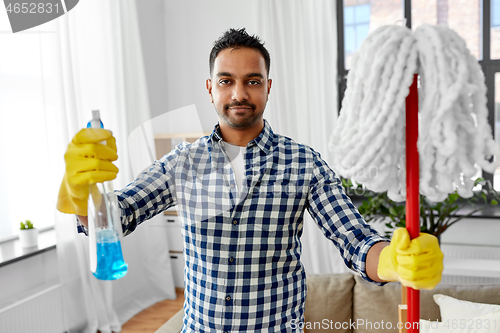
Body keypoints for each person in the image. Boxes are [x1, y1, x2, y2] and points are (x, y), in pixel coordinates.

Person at [57, 28, 443, 332]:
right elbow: (116, 218)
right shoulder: (181, 164)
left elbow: (355, 241)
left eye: (253, 81)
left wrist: (393, 261)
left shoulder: (304, 164)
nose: (239, 93)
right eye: (226, 81)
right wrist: (79, 192)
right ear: (210, 89)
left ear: (268, 87)